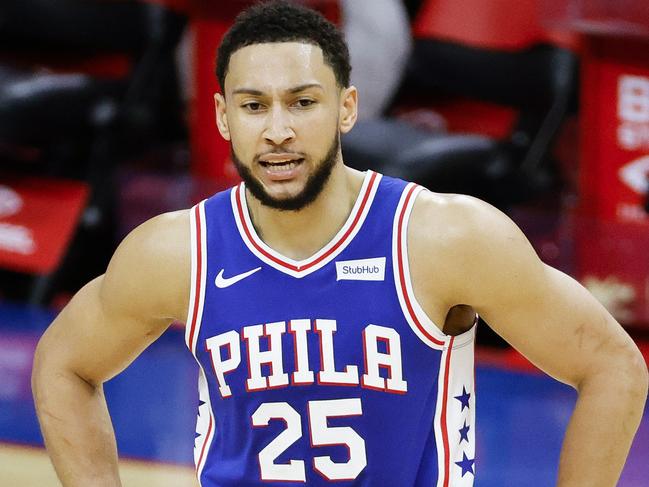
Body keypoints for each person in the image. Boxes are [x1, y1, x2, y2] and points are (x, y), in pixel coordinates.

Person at [32, 1, 647, 486]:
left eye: (303, 103)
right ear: (223, 117)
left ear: (347, 108)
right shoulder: (178, 251)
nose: (278, 130)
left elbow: (611, 366)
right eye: (254, 106)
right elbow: (64, 364)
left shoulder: (444, 236)